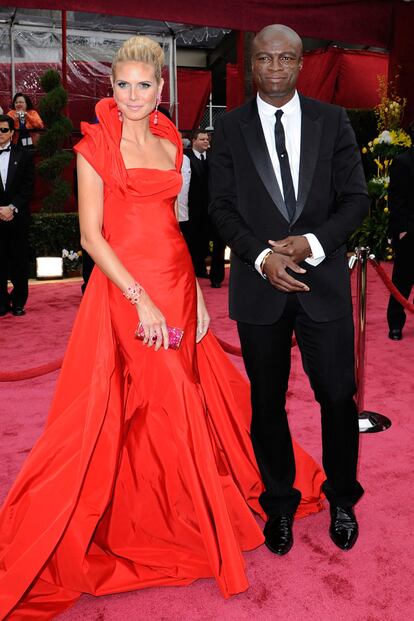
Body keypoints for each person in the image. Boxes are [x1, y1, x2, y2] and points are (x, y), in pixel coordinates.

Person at [0, 36, 325, 619]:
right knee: (157, 399)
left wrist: (193, 295)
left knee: (181, 397)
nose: (130, 95)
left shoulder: (171, 142)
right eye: (120, 84)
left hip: (175, 284)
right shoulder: (93, 145)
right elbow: (91, 238)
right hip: (128, 291)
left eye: (142, 85)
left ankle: (172, 506)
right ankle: (174, 521)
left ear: (160, 89)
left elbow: (173, 228)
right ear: (112, 87)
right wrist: (140, 300)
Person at [210, 24, 369, 556]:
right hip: (259, 289)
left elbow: (355, 201)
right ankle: (279, 504)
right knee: (267, 403)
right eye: (263, 58)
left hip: (322, 283)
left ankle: (343, 497)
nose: (274, 67)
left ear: (302, 64)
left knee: (336, 397)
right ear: (250, 65)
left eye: (285, 58)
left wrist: (310, 244)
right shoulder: (231, 129)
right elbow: (221, 208)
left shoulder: (333, 121)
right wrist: (261, 257)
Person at [0, 114, 35, 317]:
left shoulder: (25, 155)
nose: (0, 134)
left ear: (12, 133)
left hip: (17, 217)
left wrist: (12, 208)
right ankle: (2, 302)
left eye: (4, 130)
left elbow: (28, 187)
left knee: (19, 262)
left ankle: (19, 301)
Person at [386, 122, 414, 340]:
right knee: (401, 281)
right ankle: (395, 324)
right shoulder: (402, 162)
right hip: (409, 234)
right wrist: (402, 231)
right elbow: (396, 201)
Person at [183, 129, 211, 277]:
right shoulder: (186, 158)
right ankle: (192, 268)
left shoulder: (212, 158)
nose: (206, 142)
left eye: (207, 139)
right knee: (191, 239)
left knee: (205, 239)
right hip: (191, 208)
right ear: (194, 141)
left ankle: (201, 269)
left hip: (209, 208)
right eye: (202, 139)